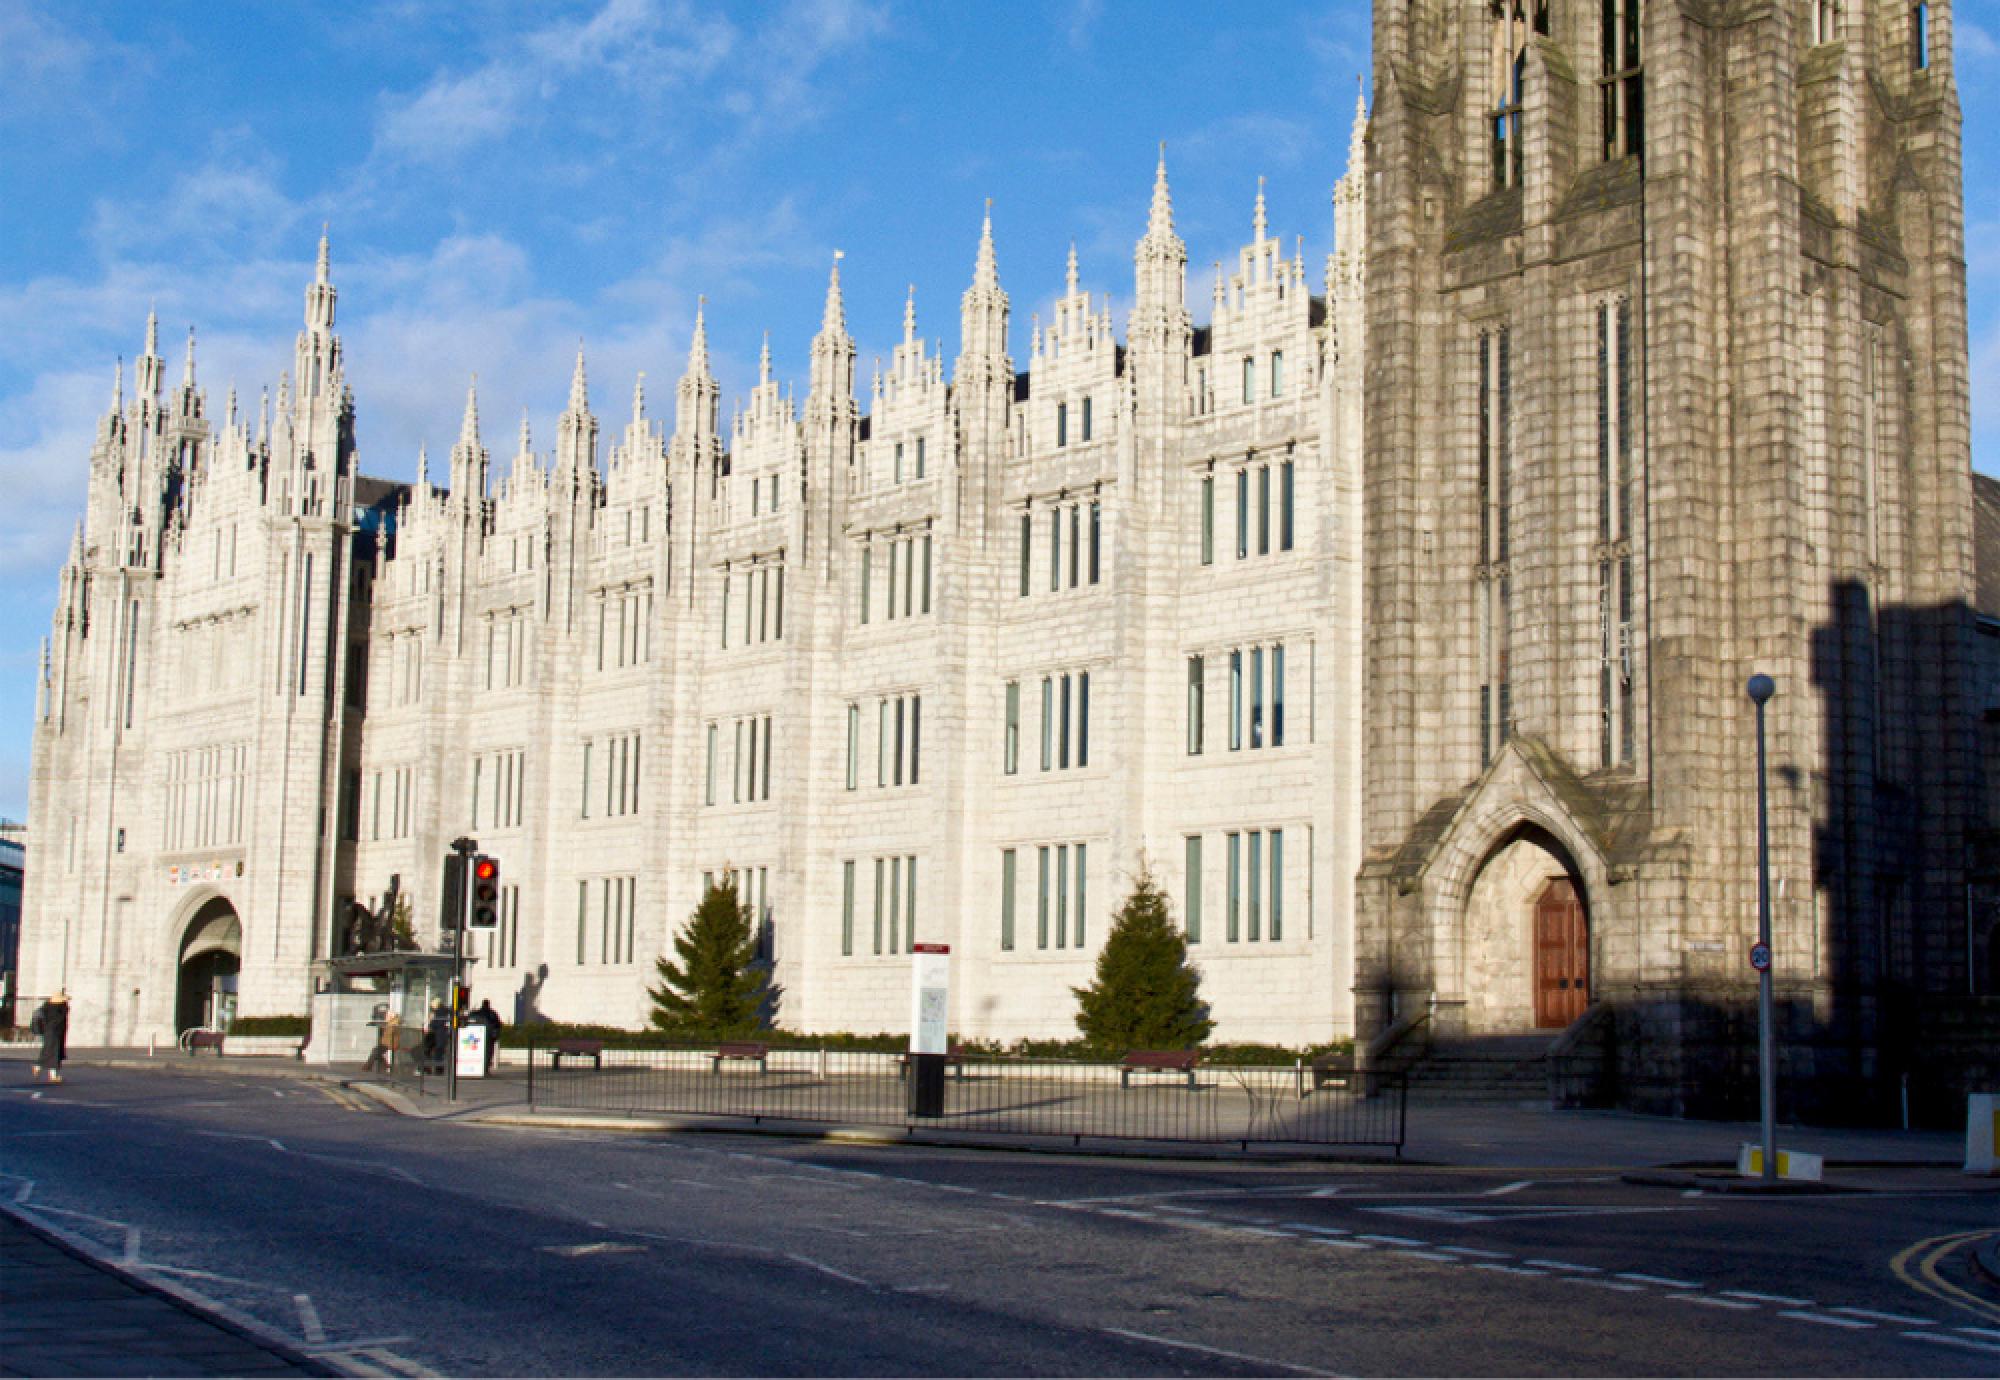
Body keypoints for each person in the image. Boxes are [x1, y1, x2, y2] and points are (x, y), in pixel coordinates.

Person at [29, 990, 69, 1084]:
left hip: (49, 1031)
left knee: (49, 1051)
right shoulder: (60, 1009)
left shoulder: (45, 1008)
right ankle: (47, 1072)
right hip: (56, 1032)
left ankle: (44, 1070)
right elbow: (60, 1021)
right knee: (54, 1052)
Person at [362, 1006, 401, 1074]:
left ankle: (368, 1067)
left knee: (376, 1051)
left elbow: (391, 1032)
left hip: (391, 1043)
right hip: (386, 1042)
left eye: (387, 1015)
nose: (386, 1017)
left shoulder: (394, 1023)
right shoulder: (389, 1023)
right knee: (376, 1051)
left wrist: (385, 1025)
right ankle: (385, 1065)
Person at [471, 998, 504, 1073]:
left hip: (479, 1037)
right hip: (489, 1037)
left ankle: (481, 1068)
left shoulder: (477, 1013)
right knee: (488, 1053)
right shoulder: (492, 1013)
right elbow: (498, 1024)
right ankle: (485, 1069)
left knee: (482, 1053)